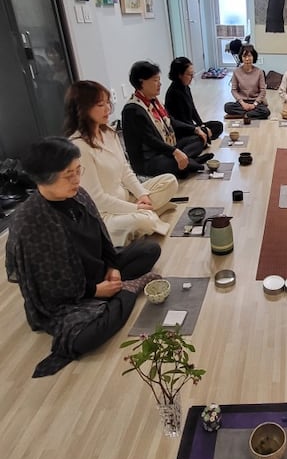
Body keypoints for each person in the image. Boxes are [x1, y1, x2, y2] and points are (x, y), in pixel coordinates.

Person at [5, 137, 161, 377]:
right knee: (84, 338)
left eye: (78, 170)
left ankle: (118, 291)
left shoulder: (79, 195)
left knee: (150, 250)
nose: (77, 179)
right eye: (68, 175)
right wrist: (95, 291)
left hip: (99, 270)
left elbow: (103, 237)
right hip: (70, 294)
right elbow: (48, 286)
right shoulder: (30, 222)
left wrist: (112, 267)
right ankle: (130, 288)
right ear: (44, 178)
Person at [65, 80, 178, 246]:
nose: (108, 109)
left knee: (170, 181)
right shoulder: (79, 146)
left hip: (127, 198)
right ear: (82, 109)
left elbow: (126, 170)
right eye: (100, 105)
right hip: (104, 213)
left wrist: (142, 194)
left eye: (108, 103)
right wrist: (136, 208)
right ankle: (147, 216)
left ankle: (147, 214)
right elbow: (97, 200)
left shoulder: (109, 133)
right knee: (143, 221)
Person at [122, 60, 210, 179]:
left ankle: (187, 160)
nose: (159, 84)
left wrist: (195, 129)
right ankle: (189, 162)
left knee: (199, 138)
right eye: (155, 80)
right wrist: (175, 152)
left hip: (167, 147)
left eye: (159, 80)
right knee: (183, 169)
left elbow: (171, 121)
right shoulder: (133, 110)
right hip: (150, 159)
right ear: (141, 82)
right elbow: (151, 141)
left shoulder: (154, 101)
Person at [164, 57, 224, 140]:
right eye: (189, 75)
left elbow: (193, 110)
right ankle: (201, 138)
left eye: (193, 74)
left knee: (218, 125)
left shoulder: (185, 87)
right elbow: (182, 121)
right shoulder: (174, 93)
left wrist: (201, 125)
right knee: (202, 135)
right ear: (179, 75)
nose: (192, 77)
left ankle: (203, 137)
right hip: (182, 130)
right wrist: (197, 129)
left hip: (191, 126)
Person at [223, 45, 271, 119]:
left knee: (266, 111)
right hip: (242, 102)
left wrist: (254, 104)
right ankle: (251, 114)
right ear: (241, 57)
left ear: (253, 57)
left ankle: (244, 114)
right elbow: (234, 90)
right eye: (244, 56)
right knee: (227, 107)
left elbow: (263, 91)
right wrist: (242, 103)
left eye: (249, 56)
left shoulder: (259, 72)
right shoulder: (236, 72)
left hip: (256, 102)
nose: (247, 59)